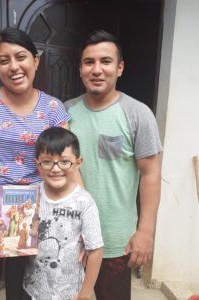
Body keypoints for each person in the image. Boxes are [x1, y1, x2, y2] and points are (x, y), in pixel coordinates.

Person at [0, 27, 71, 300]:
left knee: (24, 291)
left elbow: (66, 166)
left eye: (21, 57)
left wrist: (78, 213)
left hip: (33, 215)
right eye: (3, 60)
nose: (14, 66)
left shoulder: (53, 109)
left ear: (36, 60)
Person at [65, 29, 162, 300]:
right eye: (89, 62)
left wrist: (145, 232)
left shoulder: (137, 114)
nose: (97, 69)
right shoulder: (65, 113)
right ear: (81, 69)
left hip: (115, 240)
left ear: (119, 68)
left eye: (106, 62)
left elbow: (151, 174)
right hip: (71, 236)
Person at [0, 127, 103, 300]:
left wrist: (85, 294)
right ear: (37, 165)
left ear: (78, 163)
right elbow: (11, 241)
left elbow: (95, 251)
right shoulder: (27, 198)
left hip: (70, 294)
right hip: (31, 291)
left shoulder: (85, 202)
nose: (55, 169)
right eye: (47, 162)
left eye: (64, 161)